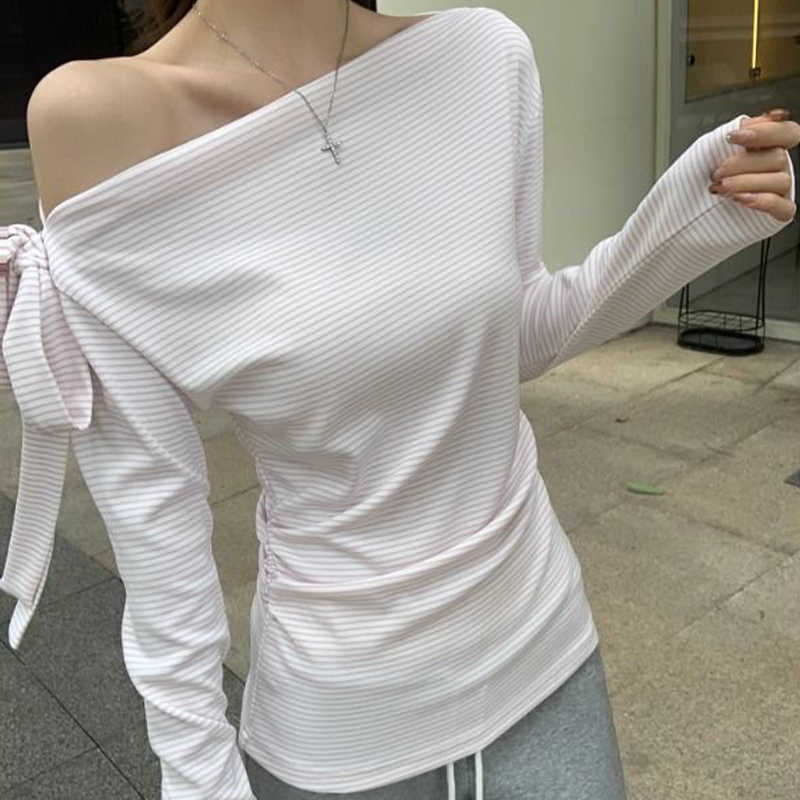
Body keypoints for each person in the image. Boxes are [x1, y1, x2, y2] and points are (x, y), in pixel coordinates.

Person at [1, 2, 796, 799]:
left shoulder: (481, 55)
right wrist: (201, 781)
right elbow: (155, 527)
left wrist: (688, 217)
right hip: (343, 734)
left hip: (549, 660)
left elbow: (514, 335)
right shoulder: (98, 122)